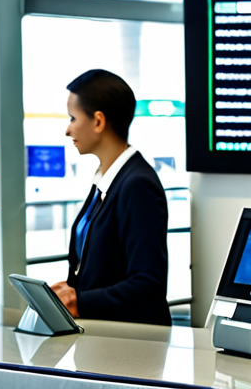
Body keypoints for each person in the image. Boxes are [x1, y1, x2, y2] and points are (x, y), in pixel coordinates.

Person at [50, 69, 171, 325]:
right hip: (104, 337)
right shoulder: (106, 179)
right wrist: (69, 291)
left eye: (73, 118)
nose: (67, 130)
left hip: (131, 346)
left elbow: (148, 282)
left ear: (98, 121)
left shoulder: (137, 185)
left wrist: (80, 300)